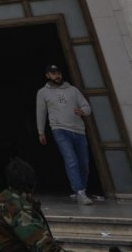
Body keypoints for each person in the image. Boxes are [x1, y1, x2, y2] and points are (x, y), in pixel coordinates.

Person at [35, 63, 97, 204]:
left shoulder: (73, 90)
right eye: (53, 73)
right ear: (47, 75)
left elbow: (87, 107)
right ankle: (79, 191)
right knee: (71, 160)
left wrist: (82, 111)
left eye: (58, 73)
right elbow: (41, 112)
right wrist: (41, 132)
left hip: (78, 130)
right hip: (60, 129)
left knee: (84, 163)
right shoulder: (43, 92)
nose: (57, 76)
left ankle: (81, 189)